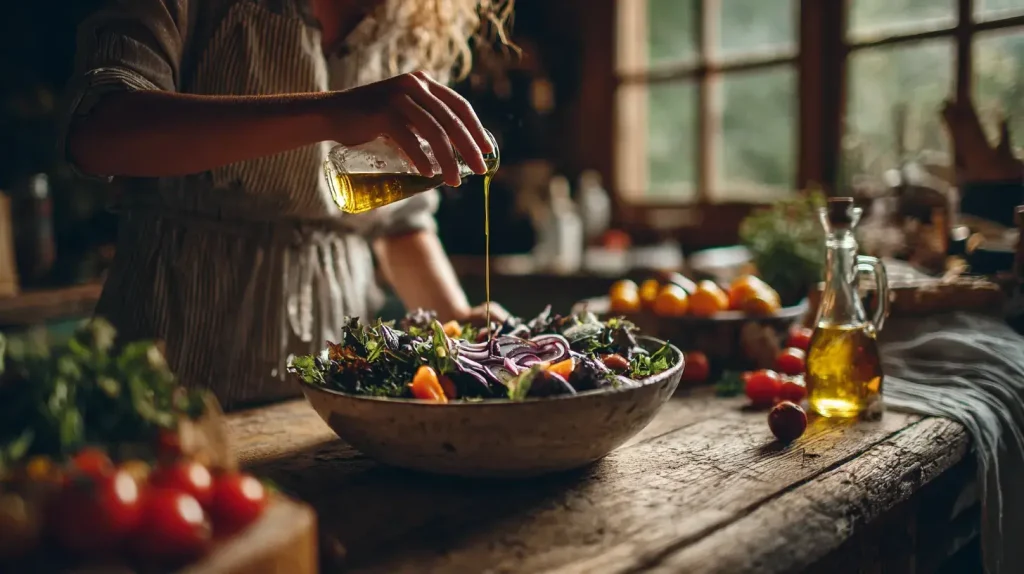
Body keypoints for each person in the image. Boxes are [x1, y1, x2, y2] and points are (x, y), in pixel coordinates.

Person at [61, 0, 513, 409]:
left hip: (330, 396)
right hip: (169, 368)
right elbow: (99, 131)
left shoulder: (409, 20)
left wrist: (456, 320)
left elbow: (397, 222)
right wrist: (328, 113)